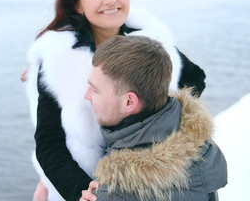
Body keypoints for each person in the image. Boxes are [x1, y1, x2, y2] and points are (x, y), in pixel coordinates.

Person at [25, 0, 206, 200]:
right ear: (77, 4)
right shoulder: (60, 59)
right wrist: (80, 189)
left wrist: (154, 128)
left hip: (145, 182)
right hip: (83, 182)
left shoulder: (149, 40)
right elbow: (49, 142)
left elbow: (195, 80)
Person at [81, 35, 227, 201]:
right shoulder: (202, 151)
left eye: (95, 90)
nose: (87, 96)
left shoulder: (118, 191)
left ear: (129, 102)